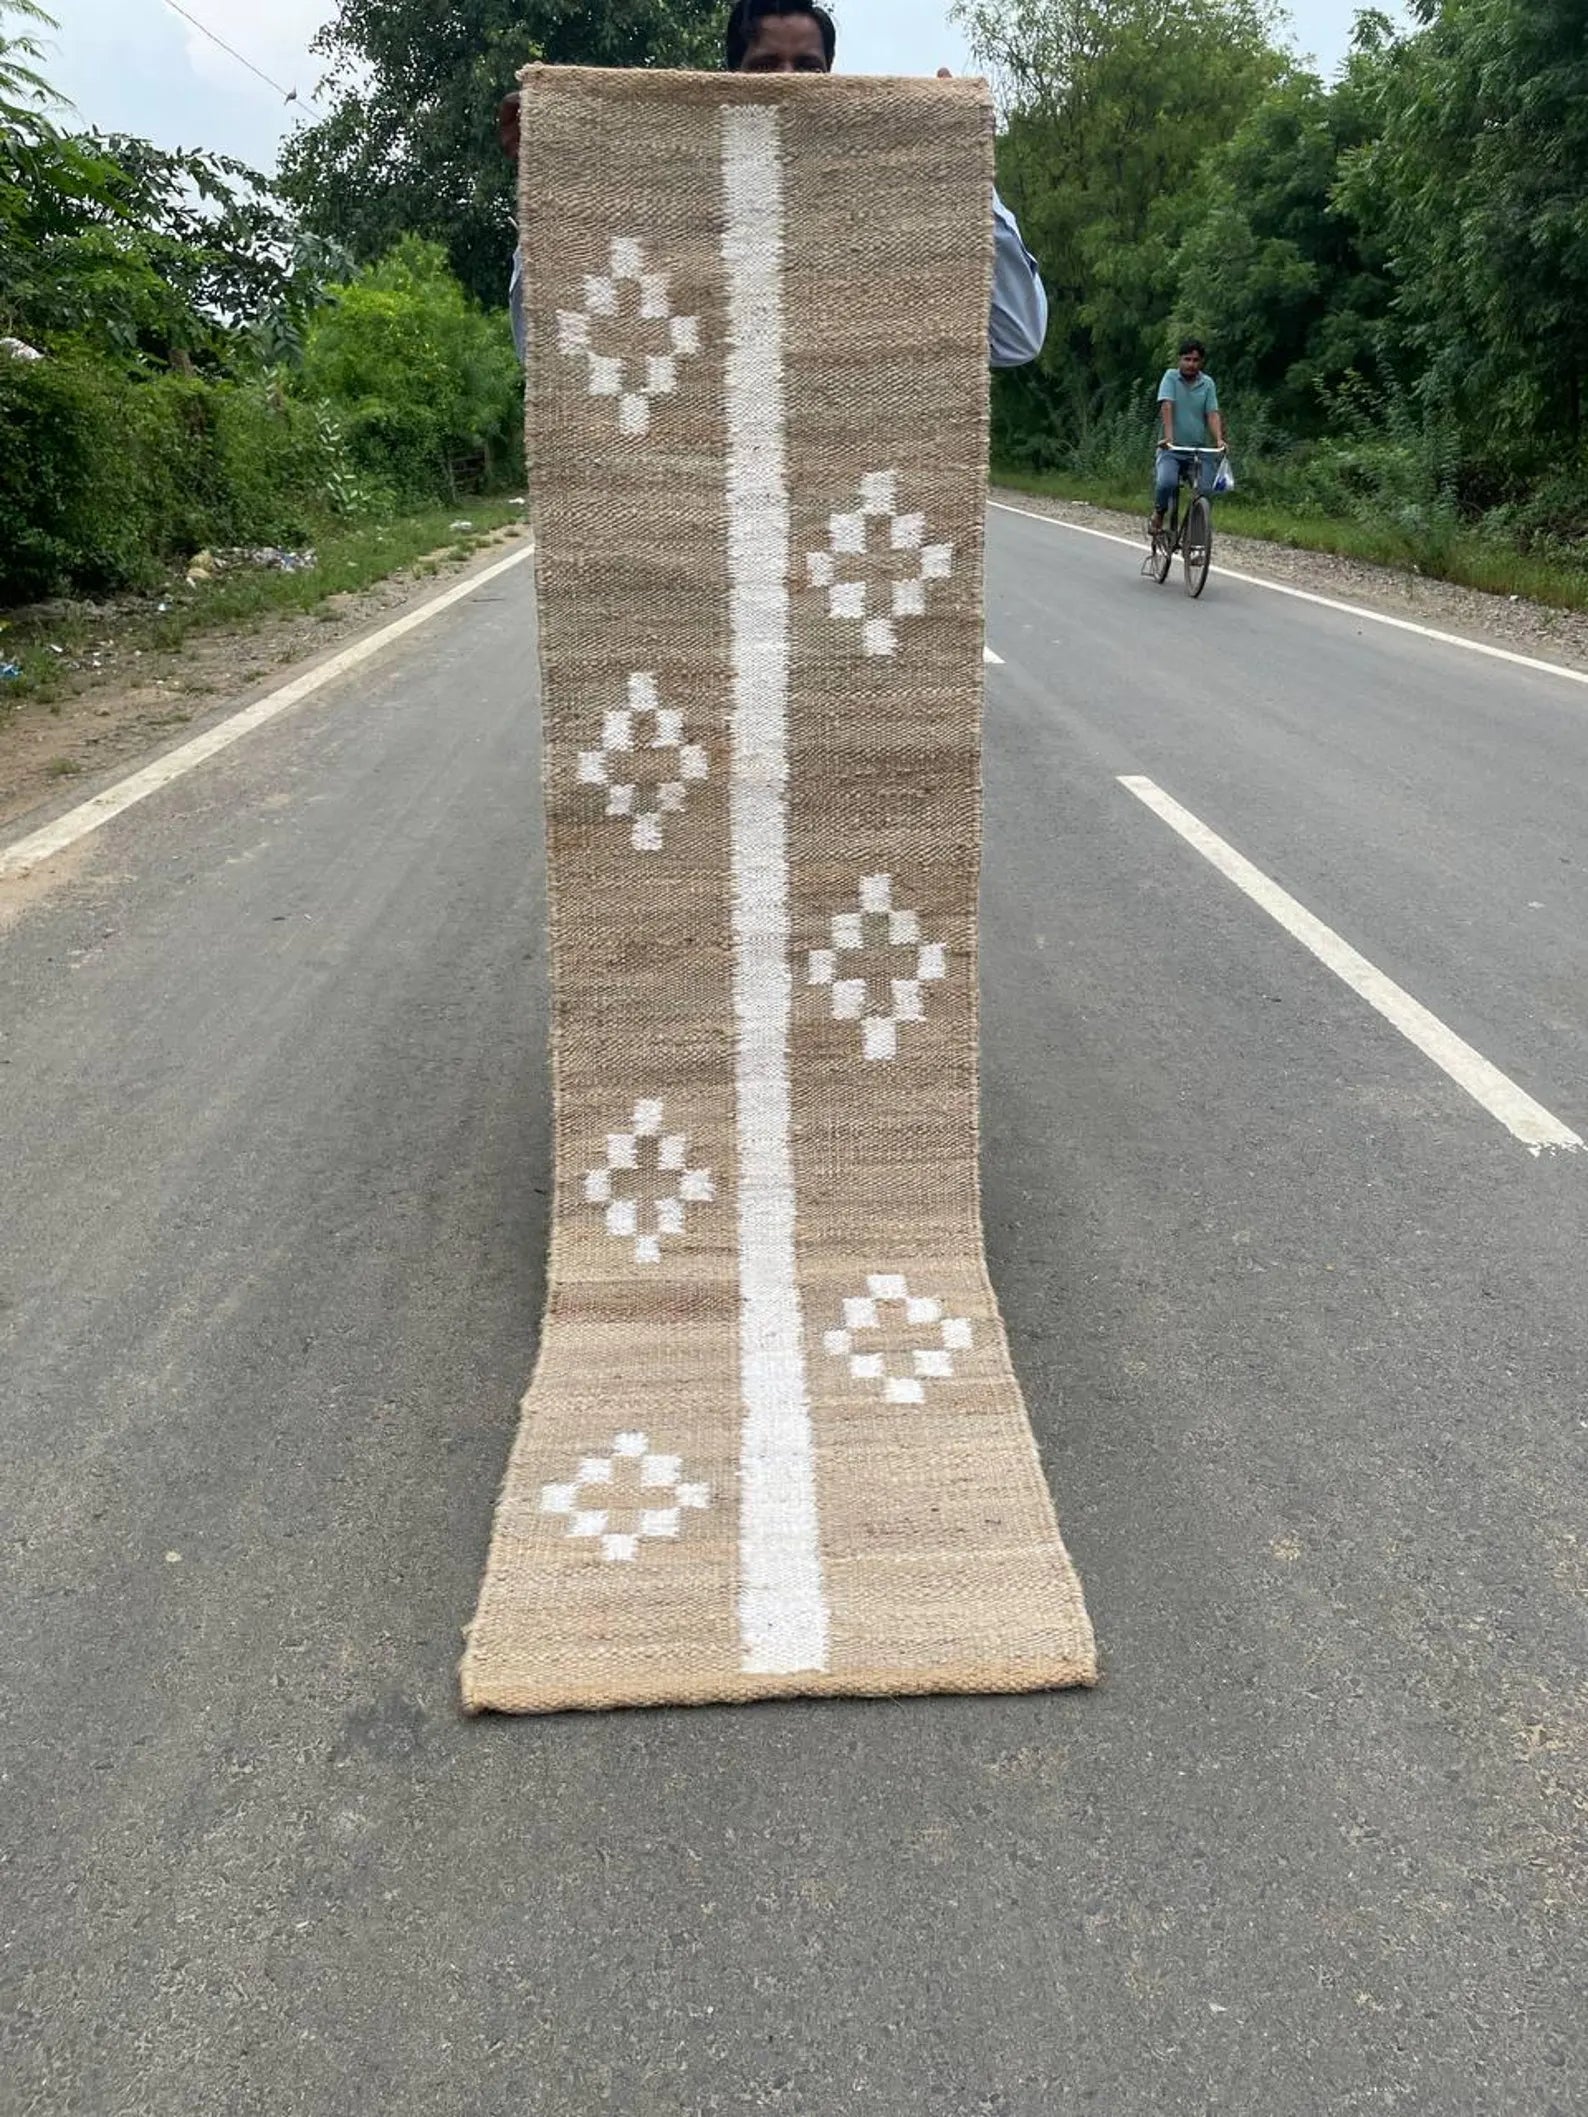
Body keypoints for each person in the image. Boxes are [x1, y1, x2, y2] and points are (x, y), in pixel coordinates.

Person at [500, 0, 1049, 372]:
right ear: (731, 78)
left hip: (840, 513)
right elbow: (548, 352)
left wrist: (971, 181)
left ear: (831, 75)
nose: (788, 83)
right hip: (702, 520)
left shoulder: (878, 218)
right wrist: (546, 188)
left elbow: (1016, 337)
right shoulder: (672, 215)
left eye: (807, 67)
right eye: (766, 65)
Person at [1150, 337, 1227, 536]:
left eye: (1195, 360)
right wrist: (1169, 439)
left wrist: (1219, 439)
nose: (1191, 364)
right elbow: (1167, 405)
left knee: (1205, 490)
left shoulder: (1207, 383)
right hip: (1172, 449)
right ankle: (1159, 512)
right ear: (1179, 360)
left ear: (1201, 362)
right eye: (1187, 359)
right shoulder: (1170, 377)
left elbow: (1212, 413)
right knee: (1166, 482)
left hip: (1198, 450)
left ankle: (1196, 542)